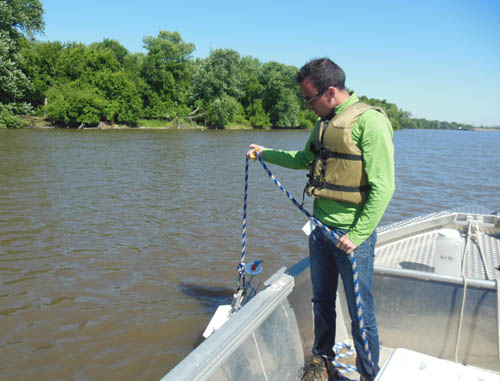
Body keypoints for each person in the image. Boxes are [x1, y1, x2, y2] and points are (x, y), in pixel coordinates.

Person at [246, 58, 395, 381]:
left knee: (360, 313)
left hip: (352, 237)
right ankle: (322, 361)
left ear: (330, 92)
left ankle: (369, 373)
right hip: (320, 231)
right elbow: (303, 159)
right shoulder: (325, 123)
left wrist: (357, 234)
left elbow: (385, 186)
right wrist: (264, 152)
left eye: (309, 99)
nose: (307, 106)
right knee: (321, 299)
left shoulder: (370, 122)